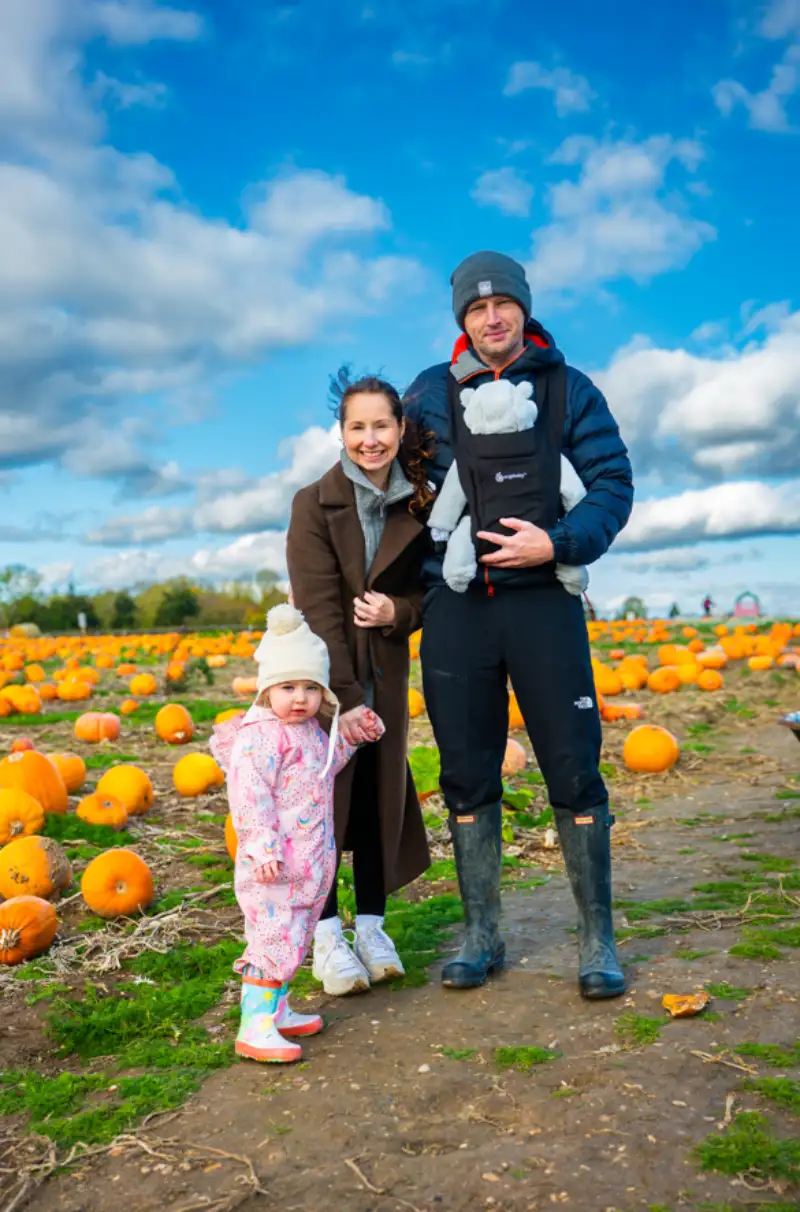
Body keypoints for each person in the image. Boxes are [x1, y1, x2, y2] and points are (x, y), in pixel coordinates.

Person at [404, 251, 634, 999]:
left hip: (544, 604)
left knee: (573, 767)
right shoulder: (430, 394)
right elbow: (390, 477)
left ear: (524, 310)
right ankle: (482, 934)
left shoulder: (570, 389)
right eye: (476, 308)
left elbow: (611, 482)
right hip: (458, 607)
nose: (491, 316)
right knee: (466, 773)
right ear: (461, 320)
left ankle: (597, 940)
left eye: (503, 303)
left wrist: (560, 543)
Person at [286, 372, 431, 996]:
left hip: (387, 672)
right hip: (324, 684)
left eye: (381, 426)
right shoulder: (313, 503)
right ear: (341, 433)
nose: (370, 439)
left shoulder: (420, 502)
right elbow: (317, 607)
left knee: (377, 799)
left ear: (399, 430)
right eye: (357, 427)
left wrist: (398, 613)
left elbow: (434, 589)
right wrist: (339, 702)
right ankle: (324, 939)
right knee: (321, 809)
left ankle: (371, 925)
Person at [210, 603, 384, 1063]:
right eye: (289, 687)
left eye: (311, 687)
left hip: (307, 863)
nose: (301, 697)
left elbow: (323, 771)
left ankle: (279, 1010)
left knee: (295, 937)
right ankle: (255, 1024)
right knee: (271, 938)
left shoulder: (307, 730)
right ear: (267, 688)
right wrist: (262, 847)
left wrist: (350, 739)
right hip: (272, 867)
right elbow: (249, 800)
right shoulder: (258, 738)